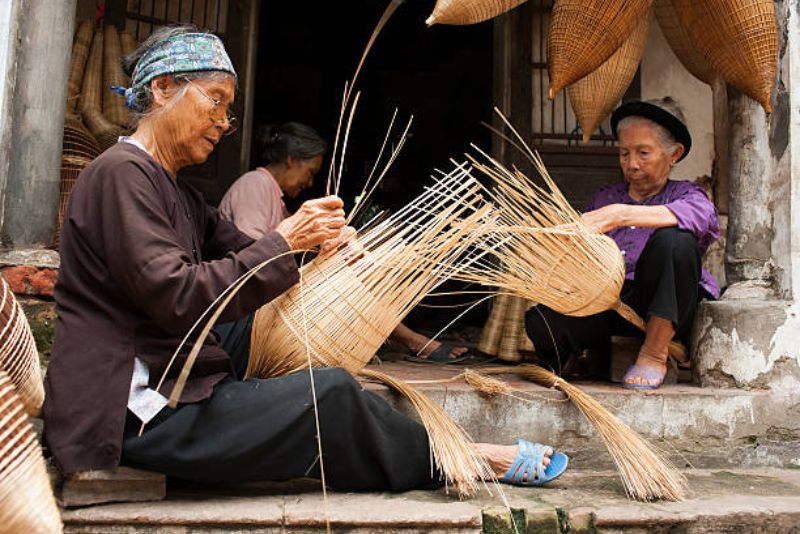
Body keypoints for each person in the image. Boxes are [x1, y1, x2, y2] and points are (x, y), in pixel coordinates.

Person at [43, 25, 568, 491]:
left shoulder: (171, 187)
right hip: (136, 412)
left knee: (268, 315)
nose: (224, 121)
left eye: (229, 109)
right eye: (215, 101)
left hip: (171, 367)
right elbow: (178, 295)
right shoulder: (120, 175)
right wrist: (286, 240)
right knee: (331, 393)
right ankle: (457, 459)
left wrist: (323, 243)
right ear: (162, 90)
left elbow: (239, 248)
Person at [217, 122, 471, 366]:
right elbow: (251, 254)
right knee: (349, 279)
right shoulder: (255, 184)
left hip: (262, 296)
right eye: (310, 172)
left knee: (353, 268)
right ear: (291, 160)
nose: (309, 182)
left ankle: (408, 340)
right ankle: (414, 342)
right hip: (247, 309)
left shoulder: (275, 196)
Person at [525, 97, 720, 390]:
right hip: (612, 305)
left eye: (643, 153)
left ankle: (655, 351)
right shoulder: (604, 197)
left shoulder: (688, 195)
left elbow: (701, 218)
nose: (632, 164)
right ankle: (579, 358)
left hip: (665, 305)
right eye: (624, 153)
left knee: (675, 242)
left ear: (674, 154)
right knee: (540, 320)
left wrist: (619, 215)